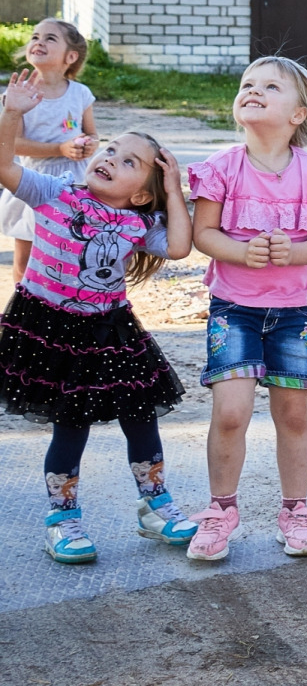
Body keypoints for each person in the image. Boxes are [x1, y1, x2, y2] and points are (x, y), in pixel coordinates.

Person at [0, 69, 196, 563]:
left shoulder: (139, 221)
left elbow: (178, 247)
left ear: (142, 193)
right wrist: (12, 114)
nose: (110, 158)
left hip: (109, 330)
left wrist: (173, 189)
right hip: (46, 327)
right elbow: (4, 169)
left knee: (141, 417)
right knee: (71, 425)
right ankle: (62, 519)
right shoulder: (55, 193)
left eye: (129, 161)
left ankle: (156, 506)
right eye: (110, 149)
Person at [185, 57, 307, 562]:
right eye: (247, 84)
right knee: (231, 413)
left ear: (298, 114)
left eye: (270, 86)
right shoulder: (222, 167)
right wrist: (241, 252)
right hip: (233, 308)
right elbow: (203, 233)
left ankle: (295, 510)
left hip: (293, 313)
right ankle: (221, 510)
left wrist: (294, 253)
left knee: (294, 414)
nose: (253, 90)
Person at [0, 19, 98, 283]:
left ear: (71, 56)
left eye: (50, 38)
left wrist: (89, 145)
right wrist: (59, 148)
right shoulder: (20, 93)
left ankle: (63, 307)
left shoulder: (80, 93)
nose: (38, 41)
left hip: (73, 182)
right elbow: (14, 143)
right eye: (35, 36)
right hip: (31, 180)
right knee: (26, 258)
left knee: (71, 250)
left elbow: (92, 134)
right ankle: (22, 313)